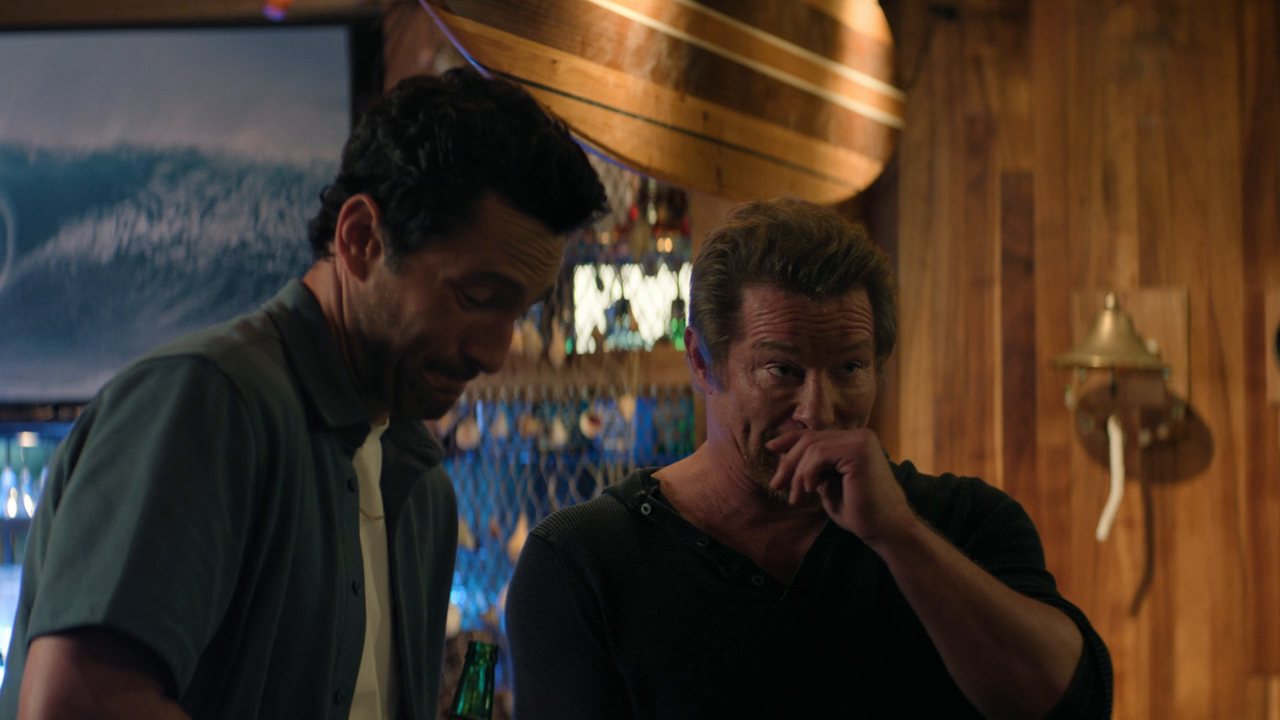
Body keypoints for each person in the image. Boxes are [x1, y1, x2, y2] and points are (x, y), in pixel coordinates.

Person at [0, 66, 607, 720]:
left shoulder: (424, 496)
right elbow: (75, 708)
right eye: (476, 297)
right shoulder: (207, 407)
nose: (494, 352)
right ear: (360, 239)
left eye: (517, 314)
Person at [505, 197, 1113, 719]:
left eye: (849, 367)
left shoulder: (965, 522)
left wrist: (899, 536)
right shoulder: (584, 561)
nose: (817, 412)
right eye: (782, 370)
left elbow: (1073, 704)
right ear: (701, 362)